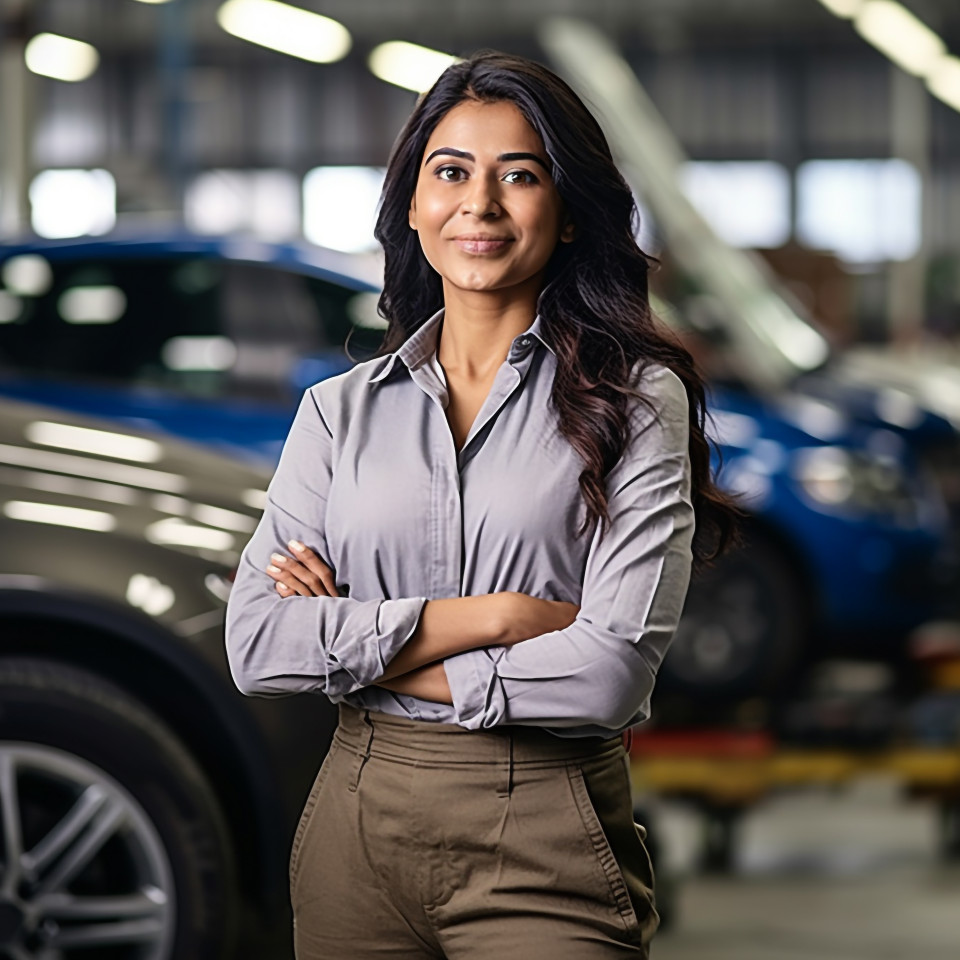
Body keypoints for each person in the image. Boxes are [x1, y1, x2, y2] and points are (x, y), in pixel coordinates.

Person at [225, 50, 740, 960]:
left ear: (570, 213)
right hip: (355, 829)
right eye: (451, 171)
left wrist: (351, 648)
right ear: (415, 204)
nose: (481, 203)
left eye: (521, 176)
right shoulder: (338, 413)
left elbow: (609, 674)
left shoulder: (634, 401)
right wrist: (495, 617)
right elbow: (259, 644)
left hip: (543, 829)